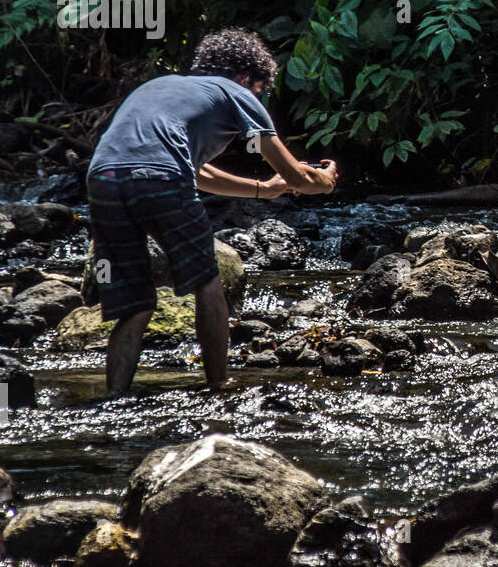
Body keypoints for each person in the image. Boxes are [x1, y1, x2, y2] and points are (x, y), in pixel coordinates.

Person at [87, 28, 338, 395]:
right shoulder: (238, 93)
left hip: (103, 177)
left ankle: (114, 398)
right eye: (259, 89)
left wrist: (261, 190)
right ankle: (218, 386)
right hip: (161, 178)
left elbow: (197, 172)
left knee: (136, 304)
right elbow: (296, 176)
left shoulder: (161, 87)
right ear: (246, 77)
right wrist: (326, 181)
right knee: (208, 284)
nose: (258, 96)